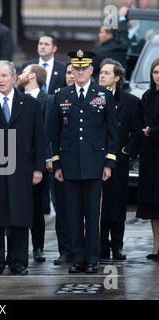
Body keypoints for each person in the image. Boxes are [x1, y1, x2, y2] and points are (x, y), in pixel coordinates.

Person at [0, 60, 45, 276]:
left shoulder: (30, 104)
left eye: (5, 76)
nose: (1, 80)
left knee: (20, 216)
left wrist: (38, 169)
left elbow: (38, 139)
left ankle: (18, 261)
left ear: (14, 78)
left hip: (22, 168)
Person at [51, 50, 118, 274]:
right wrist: (57, 164)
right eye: (76, 68)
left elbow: (111, 132)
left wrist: (108, 163)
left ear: (91, 70)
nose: (80, 72)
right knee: (72, 214)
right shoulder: (61, 95)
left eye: (84, 68)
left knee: (92, 215)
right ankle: (77, 258)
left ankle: (92, 258)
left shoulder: (103, 94)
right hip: (69, 165)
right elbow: (55, 133)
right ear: (72, 70)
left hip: (95, 165)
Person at [99, 58, 142, 261]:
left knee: (116, 206)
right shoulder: (92, 98)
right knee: (98, 206)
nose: (102, 76)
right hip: (95, 161)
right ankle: (100, 246)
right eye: (101, 72)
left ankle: (117, 246)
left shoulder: (130, 102)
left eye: (107, 73)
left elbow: (137, 131)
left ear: (117, 77)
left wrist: (128, 150)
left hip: (118, 162)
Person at [17, 64, 48, 263]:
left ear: (32, 76)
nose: (19, 76)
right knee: (17, 206)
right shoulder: (17, 98)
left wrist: (43, 162)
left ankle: (38, 247)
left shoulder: (46, 100)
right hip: (18, 160)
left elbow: (46, 132)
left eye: (22, 72)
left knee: (37, 207)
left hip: (37, 161)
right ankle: (17, 248)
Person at [44, 62, 75, 266]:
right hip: (60, 164)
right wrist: (50, 159)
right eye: (69, 72)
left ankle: (83, 249)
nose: (72, 75)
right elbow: (49, 132)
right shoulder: (55, 97)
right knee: (62, 209)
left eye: (77, 71)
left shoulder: (94, 96)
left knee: (81, 209)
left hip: (82, 164)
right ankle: (65, 250)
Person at [136, 58, 159, 259]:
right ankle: (156, 246)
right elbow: (139, 123)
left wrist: (152, 131)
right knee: (153, 205)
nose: (158, 76)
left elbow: (149, 127)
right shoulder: (146, 96)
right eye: (155, 72)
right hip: (151, 156)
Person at [92, 7, 129, 81]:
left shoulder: (99, 52)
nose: (99, 35)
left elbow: (91, 70)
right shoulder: (122, 46)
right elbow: (123, 34)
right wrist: (122, 18)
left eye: (101, 32)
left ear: (109, 34)